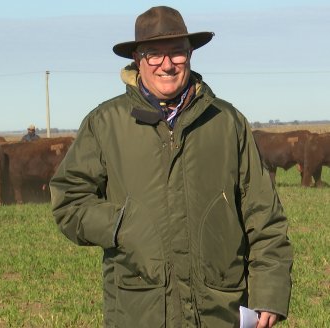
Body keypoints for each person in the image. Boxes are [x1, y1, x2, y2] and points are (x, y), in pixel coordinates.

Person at [50, 6, 292, 328]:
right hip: (140, 310)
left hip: (220, 308)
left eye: (177, 52)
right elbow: (69, 201)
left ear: (190, 55)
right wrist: (123, 224)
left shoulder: (226, 122)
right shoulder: (105, 124)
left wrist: (269, 292)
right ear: (138, 59)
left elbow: (264, 215)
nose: (167, 64)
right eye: (154, 54)